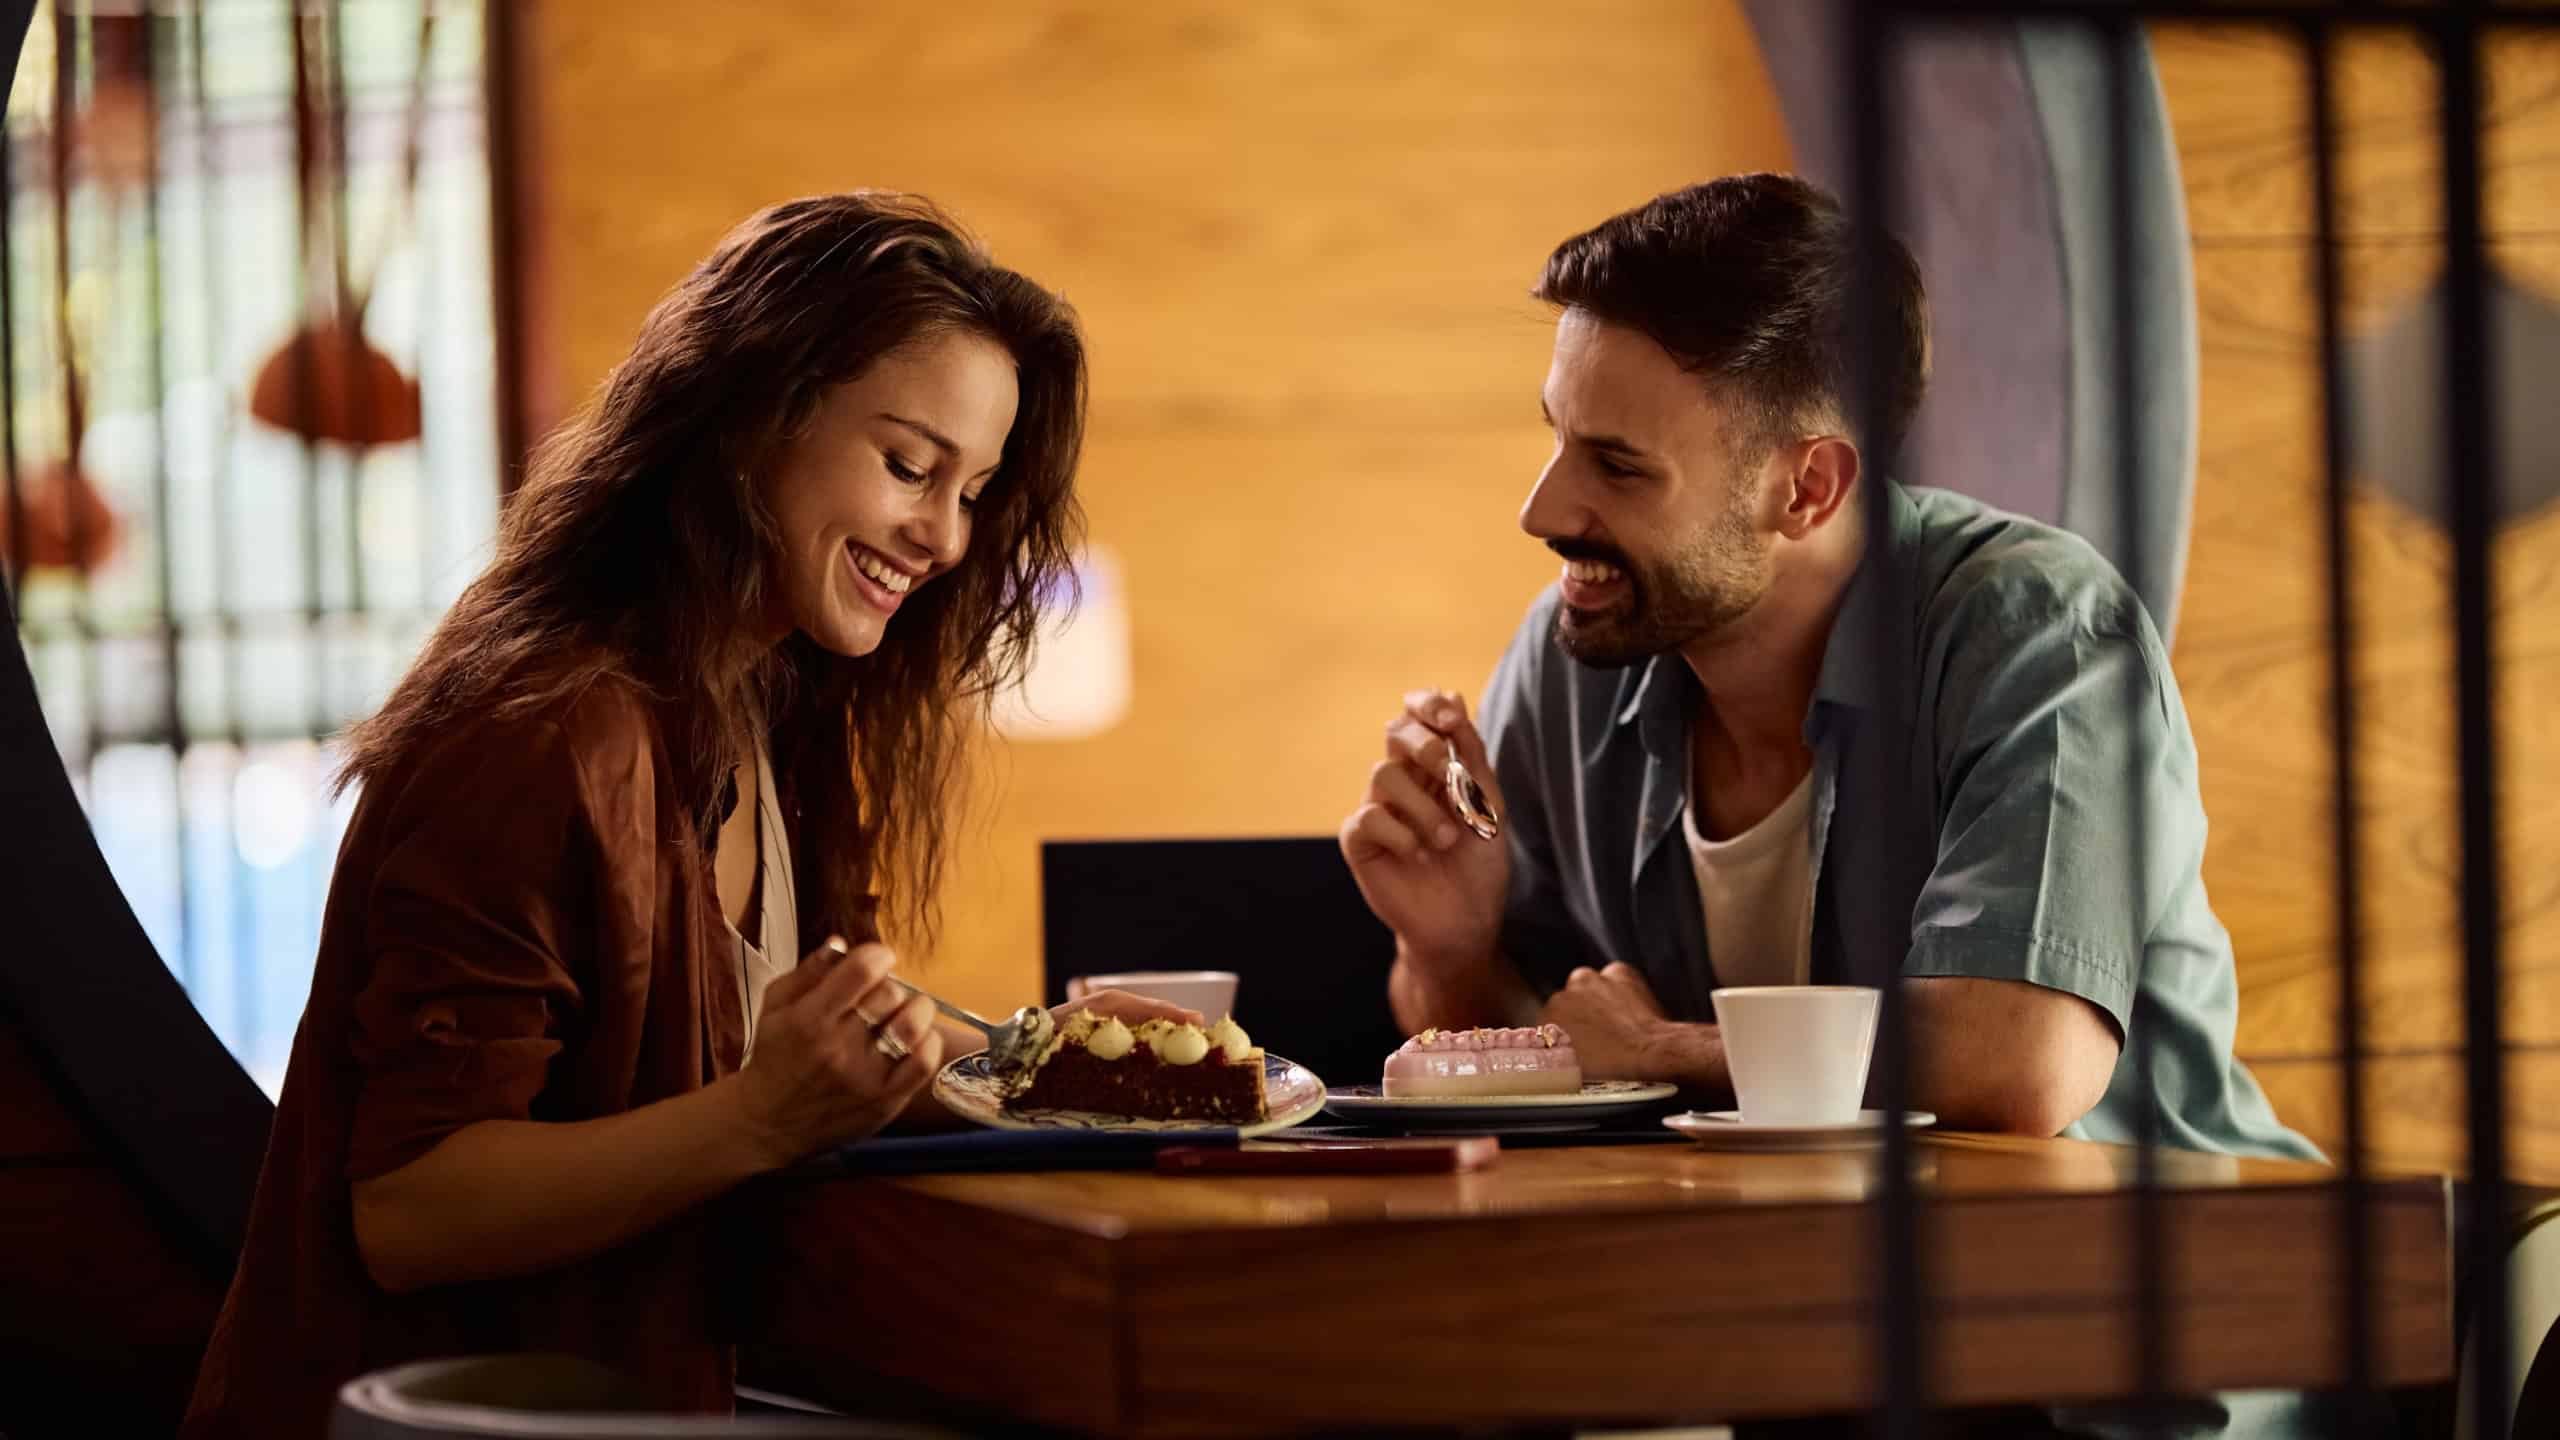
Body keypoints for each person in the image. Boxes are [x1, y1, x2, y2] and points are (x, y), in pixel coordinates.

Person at [183, 192, 1189, 1439]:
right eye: (908, 466)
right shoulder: (544, 732)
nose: (941, 536)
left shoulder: (774, 702)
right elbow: (414, 1210)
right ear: (747, 418)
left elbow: (818, 1033)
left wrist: (1051, 1064)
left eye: (974, 491)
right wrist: (760, 1116)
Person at [1340, 173, 2313, 1161]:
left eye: (1618, 466)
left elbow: (2015, 1065)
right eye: (1556, 437)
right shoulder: (1577, 656)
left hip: (2174, 1263)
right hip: (1785, 1274)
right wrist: (1448, 946)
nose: (1542, 511)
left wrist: (1656, 1051)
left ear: (1807, 488)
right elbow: (1520, 1038)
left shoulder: (2042, 633)